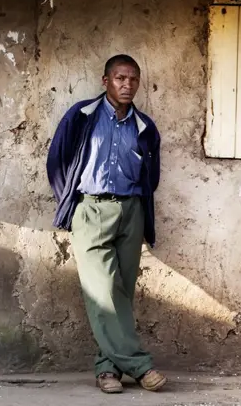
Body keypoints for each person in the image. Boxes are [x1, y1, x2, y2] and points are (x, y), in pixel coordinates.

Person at [46, 54, 165, 394]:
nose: (127, 85)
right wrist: (71, 199)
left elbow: (151, 174)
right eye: (119, 78)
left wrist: (137, 206)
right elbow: (57, 161)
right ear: (105, 81)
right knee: (102, 291)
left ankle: (107, 370)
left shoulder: (144, 127)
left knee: (120, 294)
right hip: (92, 210)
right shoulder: (82, 116)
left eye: (132, 80)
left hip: (131, 212)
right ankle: (140, 366)